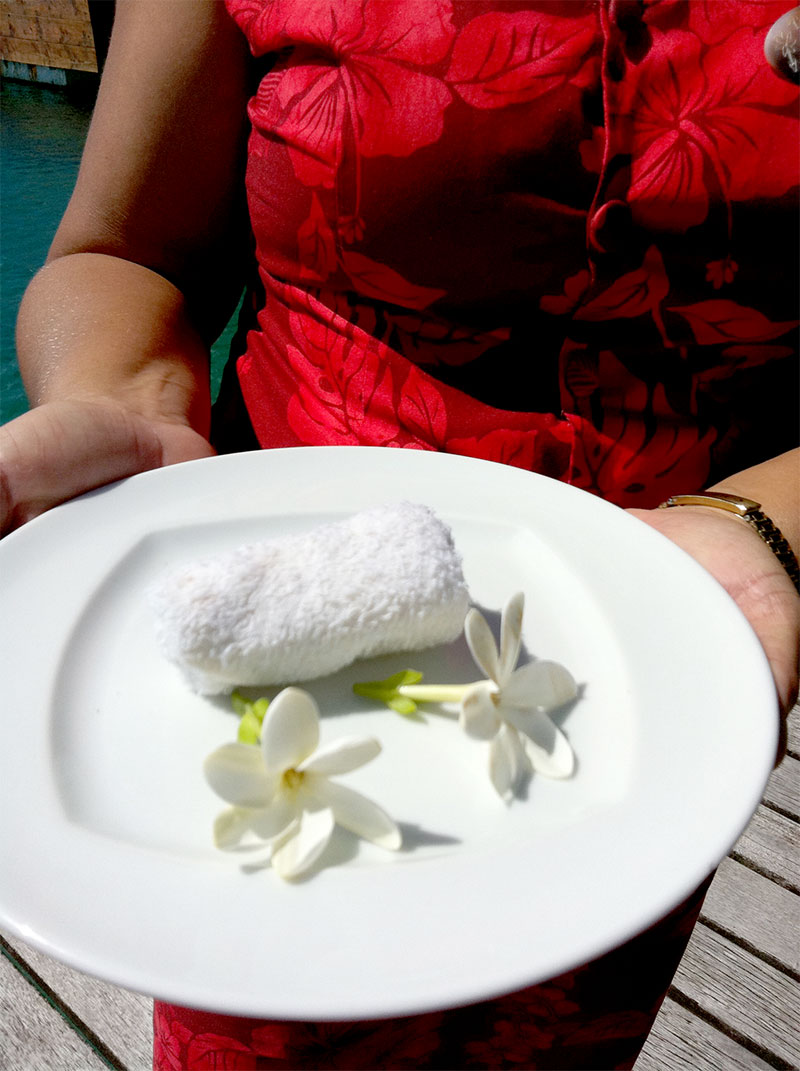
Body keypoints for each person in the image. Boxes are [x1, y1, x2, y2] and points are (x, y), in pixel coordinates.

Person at [1, 1, 798, 1067]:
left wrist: (768, 525)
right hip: (272, 656)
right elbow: (131, 252)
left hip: (652, 660)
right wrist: (129, 405)